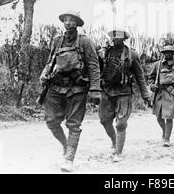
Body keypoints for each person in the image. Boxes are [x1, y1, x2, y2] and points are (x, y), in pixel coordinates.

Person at [39, 11, 101, 172]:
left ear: (77, 23)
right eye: (65, 20)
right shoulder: (57, 40)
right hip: (56, 85)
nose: (68, 22)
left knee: (73, 124)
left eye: (72, 20)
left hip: (77, 87)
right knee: (51, 121)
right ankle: (67, 146)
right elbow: (50, 60)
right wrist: (44, 74)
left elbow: (94, 66)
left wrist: (95, 89)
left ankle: (69, 158)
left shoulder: (85, 42)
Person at [98, 29, 151, 162]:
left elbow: (140, 76)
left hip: (124, 92)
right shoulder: (105, 52)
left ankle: (118, 153)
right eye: (114, 38)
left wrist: (146, 95)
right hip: (107, 90)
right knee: (104, 120)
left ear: (124, 40)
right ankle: (114, 140)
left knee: (121, 123)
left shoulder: (131, 54)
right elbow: (95, 69)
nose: (115, 40)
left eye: (119, 38)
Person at [149, 44, 174, 147]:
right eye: (166, 52)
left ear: (173, 53)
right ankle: (164, 131)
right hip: (159, 94)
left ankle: (167, 138)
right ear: (163, 53)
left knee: (169, 117)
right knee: (159, 117)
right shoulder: (157, 65)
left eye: (170, 52)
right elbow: (151, 77)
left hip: (171, 94)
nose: (167, 54)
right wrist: (152, 85)